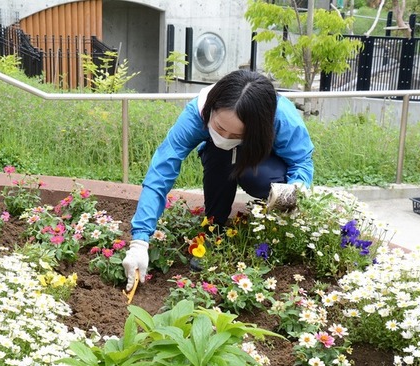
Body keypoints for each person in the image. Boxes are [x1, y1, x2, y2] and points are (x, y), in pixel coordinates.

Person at [122, 69, 314, 291]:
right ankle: (215, 228)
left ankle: (273, 226)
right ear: (211, 109)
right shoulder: (197, 113)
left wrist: (293, 192)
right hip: (221, 159)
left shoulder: (280, 118)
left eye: (235, 135)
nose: (224, 136)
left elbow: (301, 161)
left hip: (264, 161)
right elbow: (162, 169)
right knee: (219, 154)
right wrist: (140, 240)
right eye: (220, 127)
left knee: (261, 179)